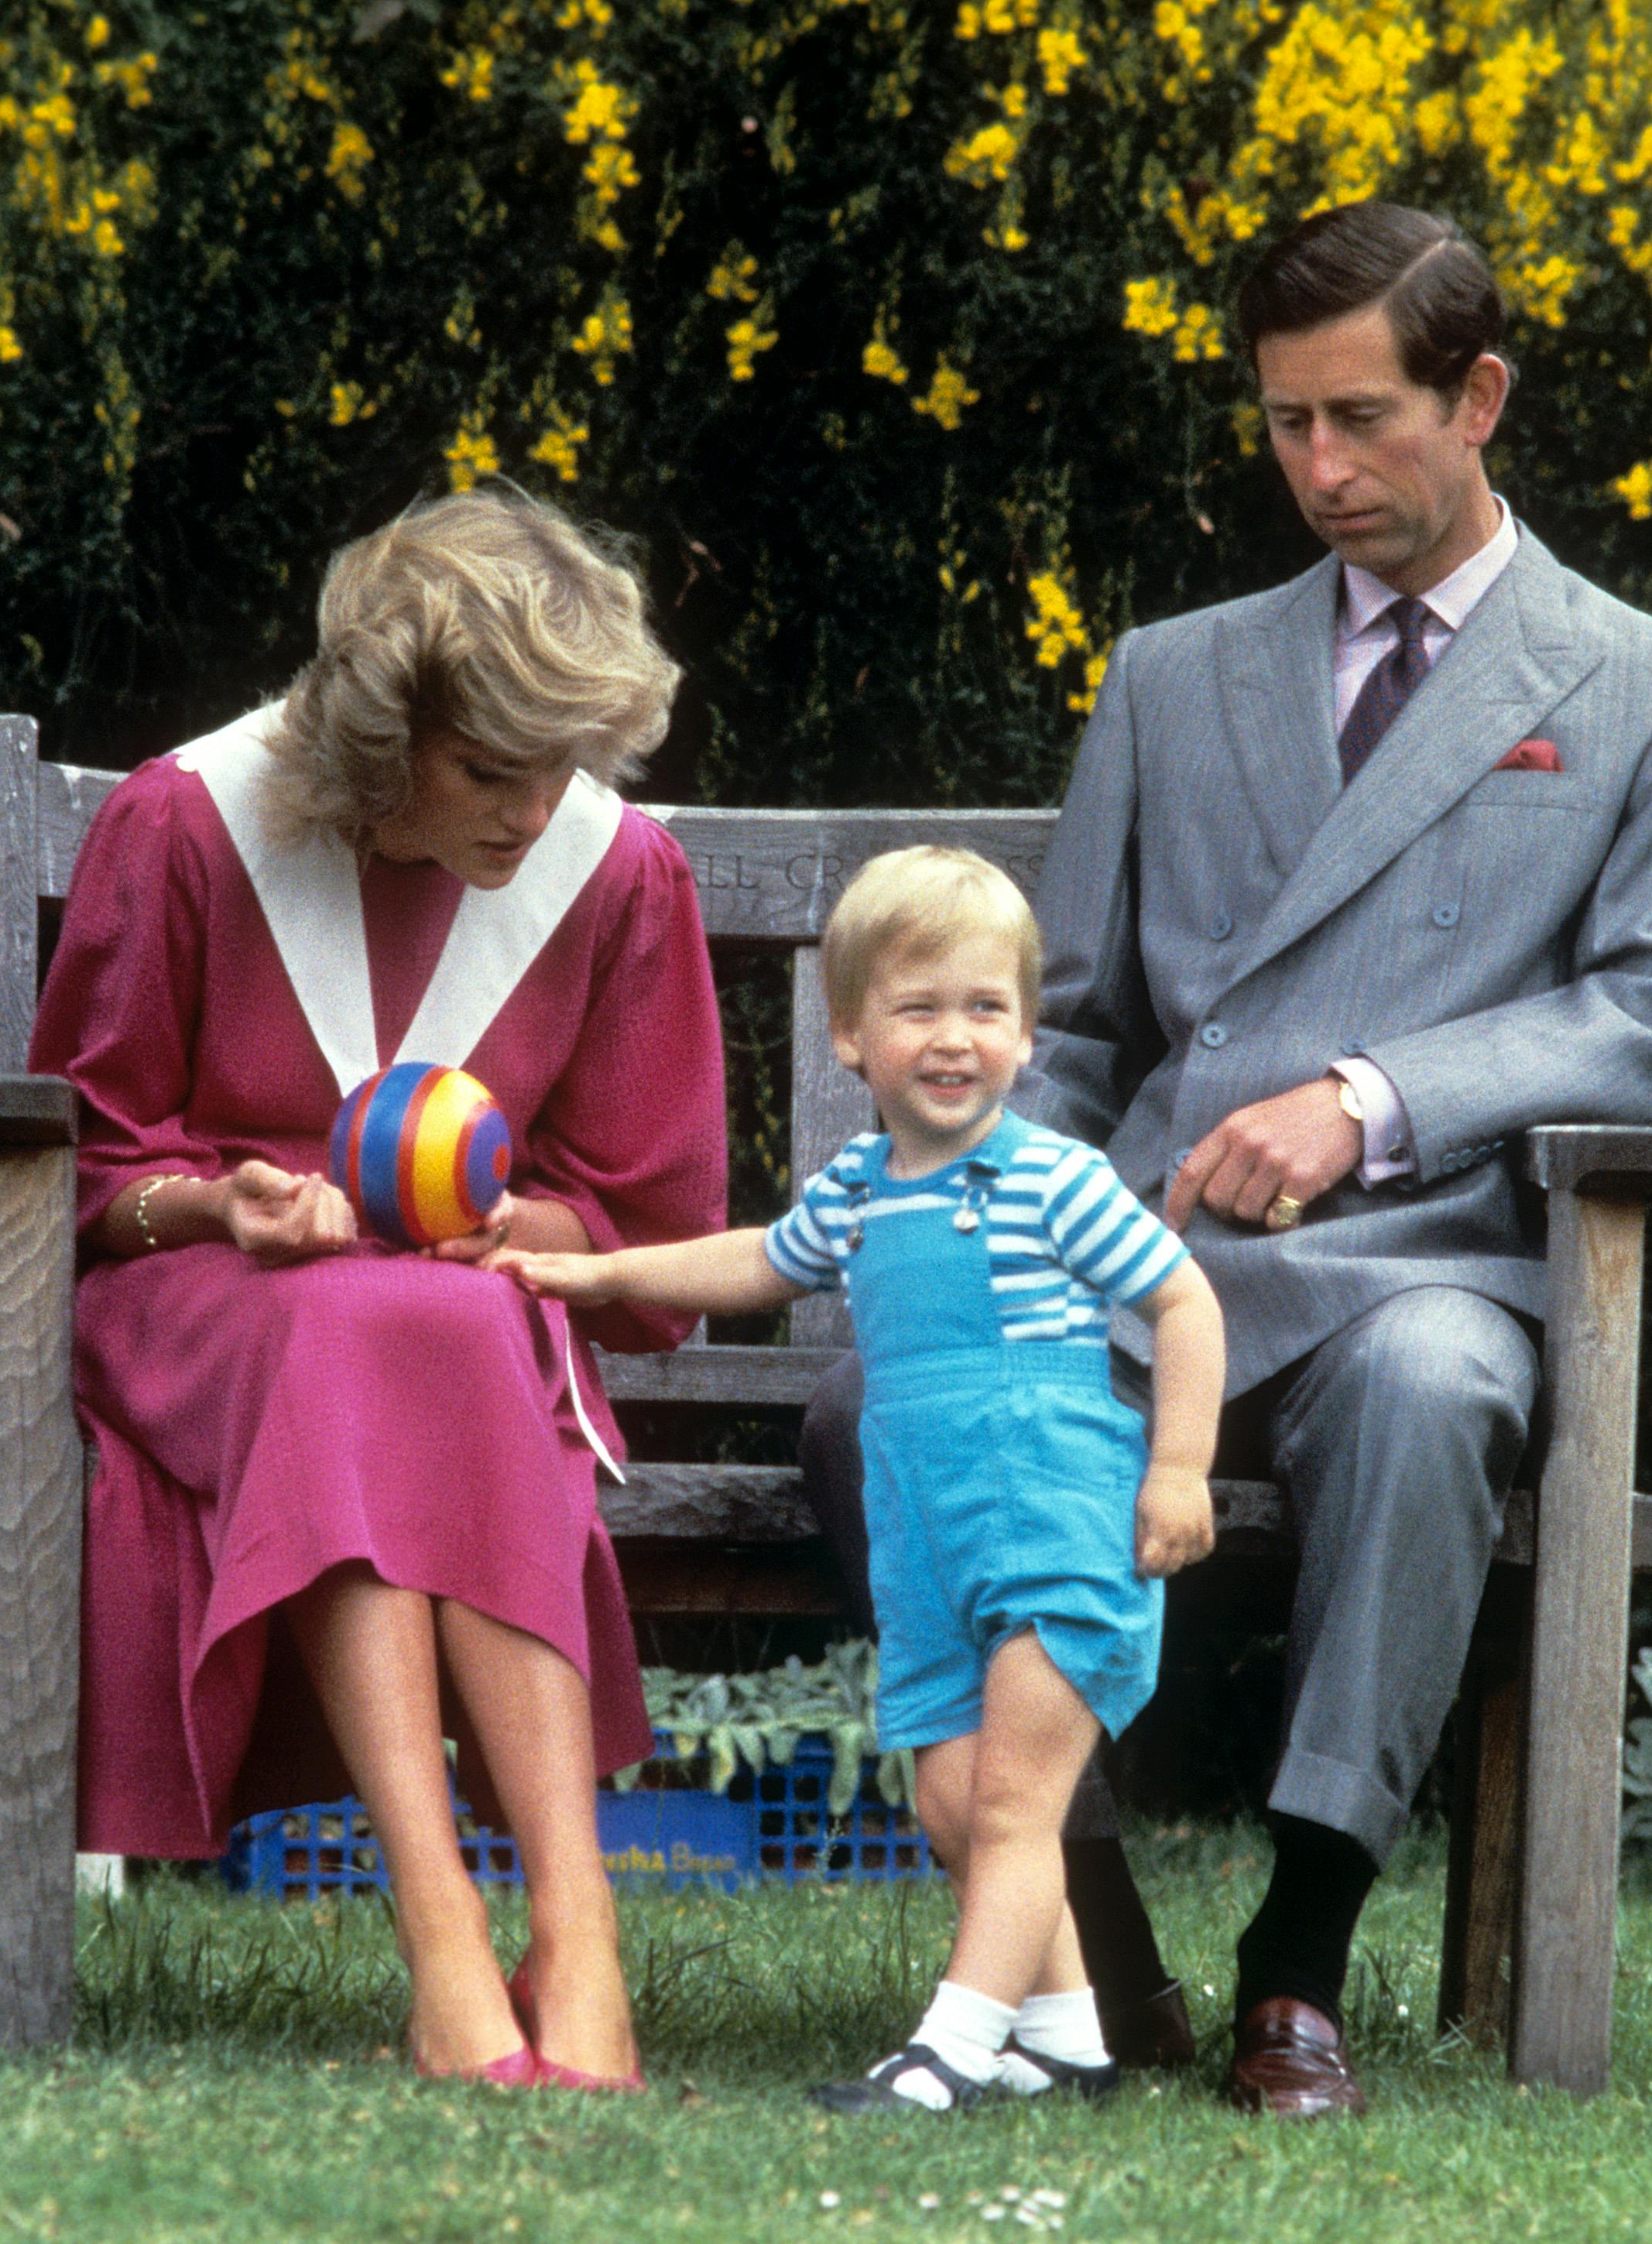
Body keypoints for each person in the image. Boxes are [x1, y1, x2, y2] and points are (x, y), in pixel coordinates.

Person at [803, 200, 1652, 2116]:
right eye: (1280, 426)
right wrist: (999, 1219)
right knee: (865, 1409)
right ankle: (1086, 1956)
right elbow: (1068, 1025)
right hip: (1136, 1249)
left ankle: (1297, 1958)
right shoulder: (1174, 675)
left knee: (1428, 1393)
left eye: (1362, 419)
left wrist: (1367, 1097)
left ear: (1478, 396)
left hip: (1432, 1261)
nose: (1318, 471)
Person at [26, 485, 728, 2090]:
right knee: (380, 1329)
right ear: (378, 734)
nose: (533, 812)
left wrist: (509, 1223)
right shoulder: (190, 822)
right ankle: (446, 1938)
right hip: (209, 1292)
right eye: (489, 769)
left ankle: (572, 1928)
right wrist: (217, 1200)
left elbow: (644, 1216)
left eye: (563, 767)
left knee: (432, 1317)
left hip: (466, 1314)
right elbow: (82, 1172)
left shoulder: (611, 874)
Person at [500, 847, 1227, 2113]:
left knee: (1011, 1801)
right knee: (955, 1804)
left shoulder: (1052, 1179)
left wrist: (1178, 1469)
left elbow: (1184, 1297)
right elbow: (755, 1263)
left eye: (987, 1010)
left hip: (1056, 1522)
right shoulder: (858, 1191)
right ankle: (1065, 2041)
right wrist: (606, 1277)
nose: (956, 1041)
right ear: (851, 1037)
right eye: (919, 1009)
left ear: (1024, 1030)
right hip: (929, 1539)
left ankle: (947, 2052)